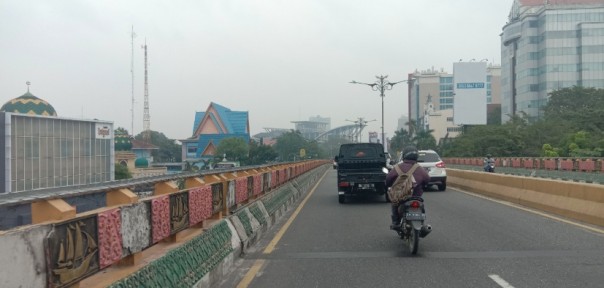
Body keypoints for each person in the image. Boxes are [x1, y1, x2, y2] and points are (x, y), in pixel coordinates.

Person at [385, 145, 430, 230]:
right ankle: (422, 223)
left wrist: (390, 185)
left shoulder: (397, 168)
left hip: (401, 198)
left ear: (404, 155)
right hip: (416, 197)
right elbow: (427, 179)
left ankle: (396, 222)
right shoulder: (419, 168)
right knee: (421, 206)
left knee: (394, 204)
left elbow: (388, 180)